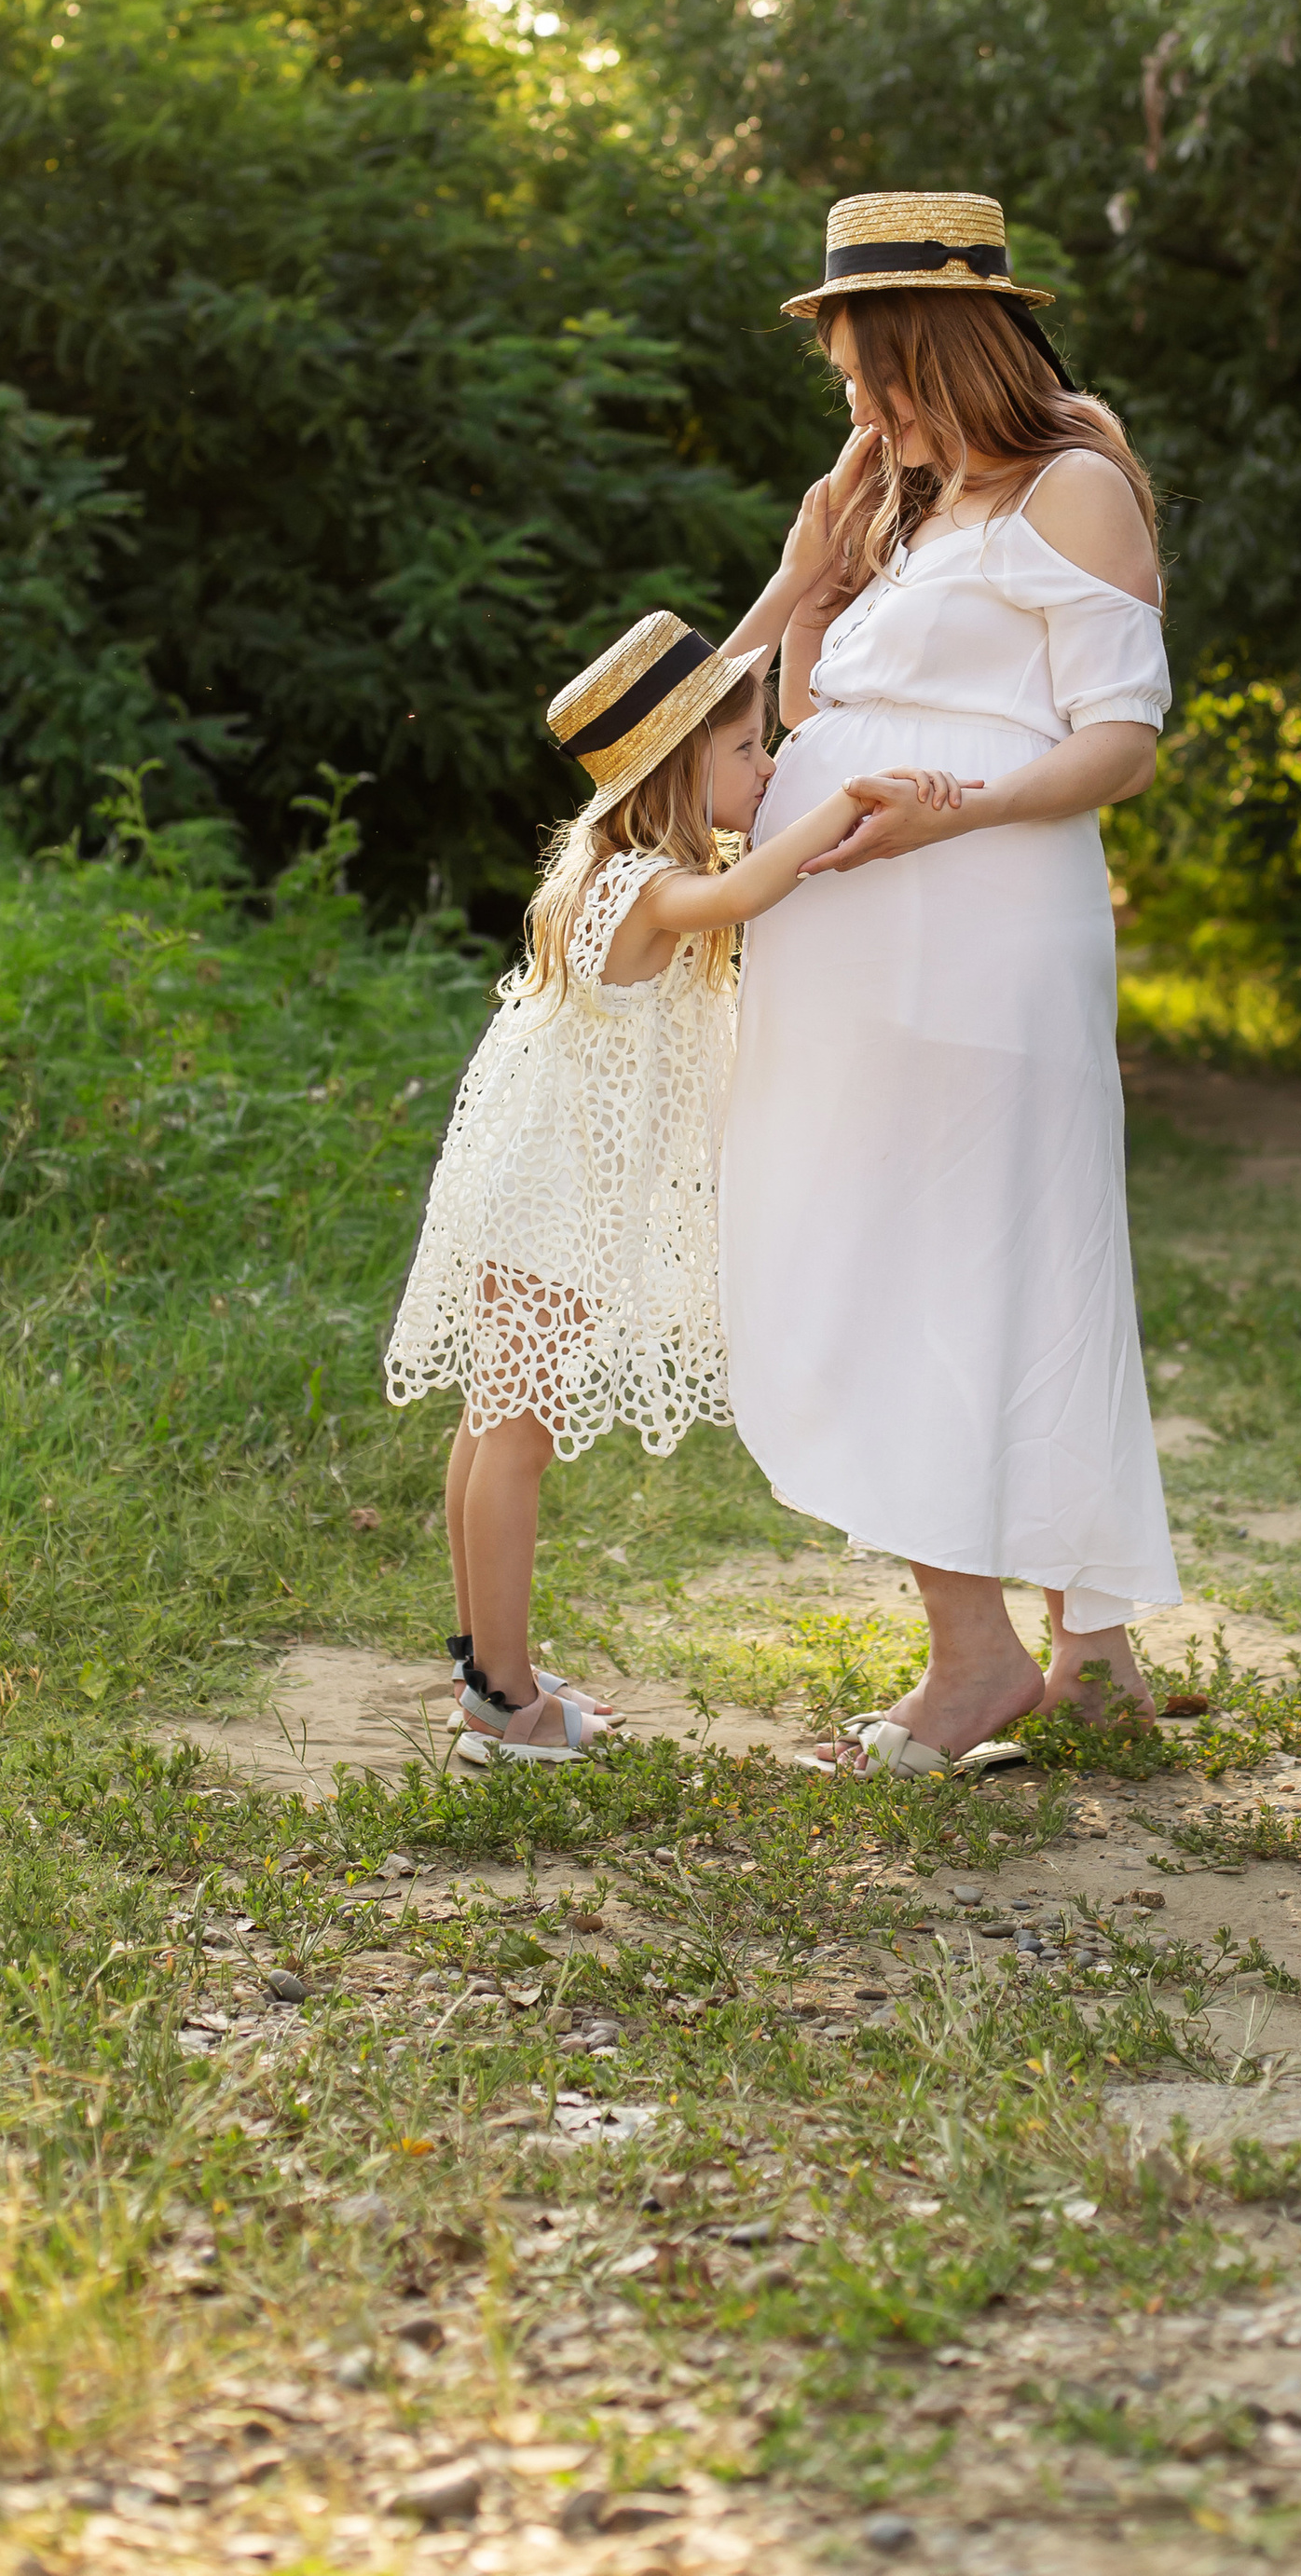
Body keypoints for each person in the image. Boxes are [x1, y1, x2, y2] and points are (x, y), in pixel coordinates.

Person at [720, 190, 1181, 1777]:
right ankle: (1095, 1655)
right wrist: (808, 570)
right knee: (957, 1261)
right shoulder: (905, 512)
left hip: (975, 929)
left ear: (946, 349)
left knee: (957, 1264)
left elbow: (1120, 734)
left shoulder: (1070, 491)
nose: (859, 407)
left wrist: (958, 815)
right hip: (859, 941)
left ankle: (980, 1658)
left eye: (875, 372)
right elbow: (801, 712)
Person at [381, 603, 960, 1764]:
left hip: (524, 1175)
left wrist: (796, 583)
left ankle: (487, 1670)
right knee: (515, 1436)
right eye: (749, 753)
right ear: (677, 768)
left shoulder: (608, 852)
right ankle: (503, 1705)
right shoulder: (642, 885)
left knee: (493, 1423)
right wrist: (851, 804)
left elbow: (694, 707)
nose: (768, 765)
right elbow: (743, 897)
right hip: (549, 1191)